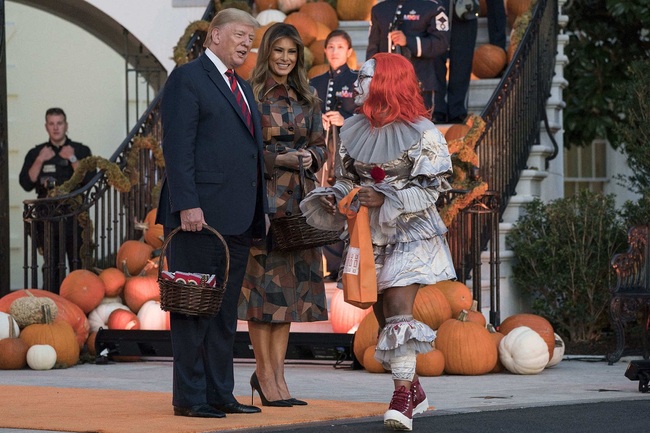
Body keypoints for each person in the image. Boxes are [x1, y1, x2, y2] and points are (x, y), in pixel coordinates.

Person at [299, 53, 457, 431]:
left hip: (412, 231)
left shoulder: (424, 132)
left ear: (386, 80)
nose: (356, 83)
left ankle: (401, 398)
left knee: (399, 308)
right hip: (371, 236)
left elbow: (433, 188)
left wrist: (386, 197)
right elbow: (347, 178)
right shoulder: (353, 129)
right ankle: (414, 390)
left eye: (365, 76)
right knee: (383, 315)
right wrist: (337, 195)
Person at [155, 9, 268, 418]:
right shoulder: (188, 78)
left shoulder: (242, 86)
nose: (247, 44)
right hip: (198, 217)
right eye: (240, 35)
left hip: (237, 217)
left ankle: (221, 393)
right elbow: (177, 147)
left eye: (251, 39)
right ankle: (190, 397)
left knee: (222, 314)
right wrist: (186, 203)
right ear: (215, 34)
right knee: (193, 310)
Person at [238, 22, 329, 408]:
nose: (285, 59)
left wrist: (312, 157)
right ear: (266, 53)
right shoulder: (250, 96)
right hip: (263, 206)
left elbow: (322, 145)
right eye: (279, 52)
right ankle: (265, 375)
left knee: (288, 297)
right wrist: (280, 158)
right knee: (263, 297)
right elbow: (240, 152)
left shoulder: (308, 98)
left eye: (292, 53)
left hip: (300, 208)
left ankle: (277, 376)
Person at [19, 107, 93, 292]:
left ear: (66, 125)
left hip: (75, 219)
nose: (56, 128)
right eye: (51, 124)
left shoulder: (81, 150)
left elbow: (90, 179)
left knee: (78, 266)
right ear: (46, 127)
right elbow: (26, 183)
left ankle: (80, 310)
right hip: (47, 221)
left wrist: (73, 158)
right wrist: (40, 160)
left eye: (59, 123)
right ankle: (53, 311)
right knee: (51, 269)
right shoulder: (36, 152)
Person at [309, 29, 358, 281]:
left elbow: (365, 116)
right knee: (324, 201)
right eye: (330, 47)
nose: (335, 51)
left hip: (349, 153)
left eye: (340, 47)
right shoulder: (314, 83)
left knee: (344, 202)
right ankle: (330, 264)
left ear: (349, 51)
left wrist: (345, 119)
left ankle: (346, 265)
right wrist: (320, 122)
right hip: (322, 152)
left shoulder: (357, 80)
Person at [366, 0, 451, 111]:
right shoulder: (379, 9)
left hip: (419, 83)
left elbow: (441, 43)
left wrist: (408, 41)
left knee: (418, 126)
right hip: (387, 84)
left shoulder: (432, 7)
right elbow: (373, 47)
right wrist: (370, 77)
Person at [432, 1, 479, 124]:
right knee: (435, 59)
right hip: (436, 8)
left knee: (462, 61)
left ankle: (457, 110)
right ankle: (437, 109)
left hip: (464, 8)